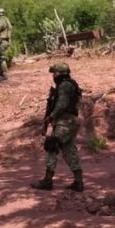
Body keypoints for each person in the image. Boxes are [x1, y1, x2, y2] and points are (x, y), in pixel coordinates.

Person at [31, 63, 83, 192]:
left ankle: (48, 181)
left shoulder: (65, 85)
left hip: (65, 122)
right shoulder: (67, 85)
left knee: (51, 146)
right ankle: (78, 182)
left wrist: (52, 116)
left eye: (54, 73)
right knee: (69, 150)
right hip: (70, 122)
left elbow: (62, 104)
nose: (53, 76)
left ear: (60, 73)